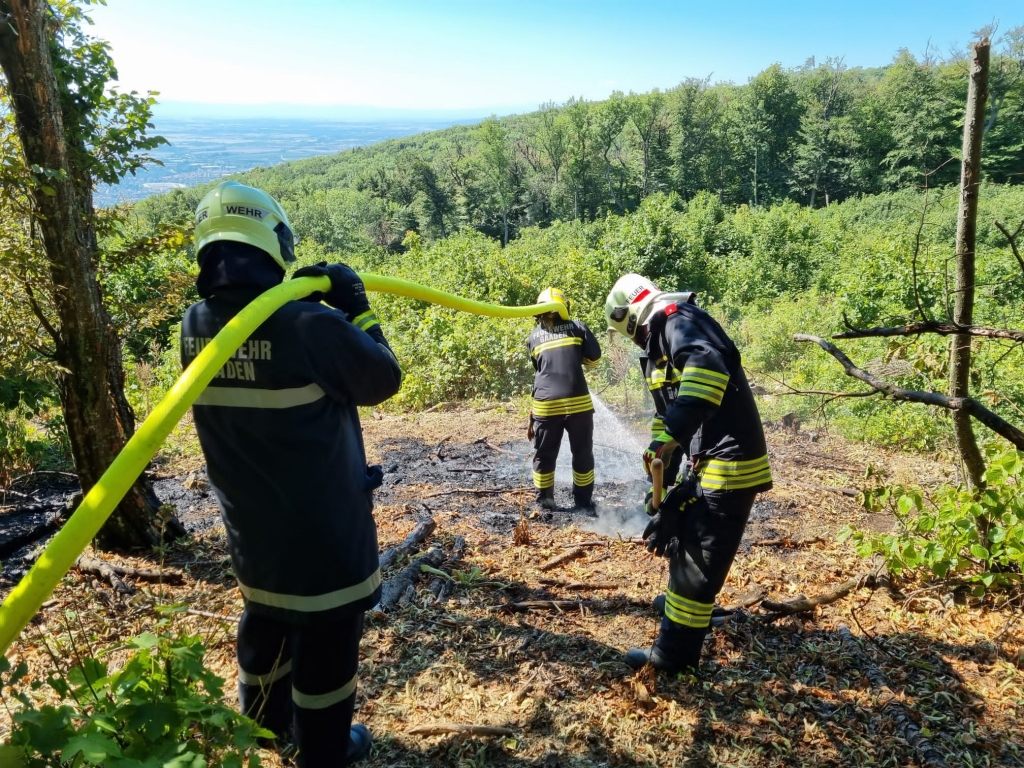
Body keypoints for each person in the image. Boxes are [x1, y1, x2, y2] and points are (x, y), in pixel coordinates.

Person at [181, 181, 402, 766]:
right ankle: (323, 750)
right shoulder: (309, 325)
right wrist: (357, 306)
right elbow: (383, 377)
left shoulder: (195, 324)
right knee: (328, 638)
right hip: (324, 527)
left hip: (251, 526)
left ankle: (261, 730)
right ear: (271, 240)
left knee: (266, 618)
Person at [604, 273, 771, 674]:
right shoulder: (662, 345)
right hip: (710, 462)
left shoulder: (681, 322)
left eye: (630, 334)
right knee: (686, 540)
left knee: (696, 558)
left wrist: (671, 439)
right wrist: (658, 483)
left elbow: (706, 372)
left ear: (631, 318)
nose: (634, 343)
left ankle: (673, 657)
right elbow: (669, 426)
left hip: (729, 466)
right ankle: (690, 605)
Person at [526, 287, 602, 510]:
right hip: (578, 404)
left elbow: (539, 368)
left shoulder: (533, 337)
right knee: (582, 454)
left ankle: (545, 503)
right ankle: (583, 503)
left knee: (544, 455)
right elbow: (594, 358)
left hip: (545, 405)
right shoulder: (578, 327)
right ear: (565, 307)